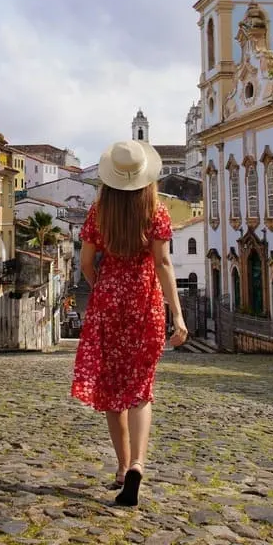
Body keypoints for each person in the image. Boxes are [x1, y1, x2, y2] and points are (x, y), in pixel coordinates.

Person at [70, 139, 188, 507]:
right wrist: (177, 314)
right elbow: (163, 264)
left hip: (108, 301)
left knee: (111, 388)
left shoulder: (98, 212)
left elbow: (86, 263)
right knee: (140, 387)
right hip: (145, 301)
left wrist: (103, 288)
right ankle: (138, 463)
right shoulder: (157, 211)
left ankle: (121, 468)